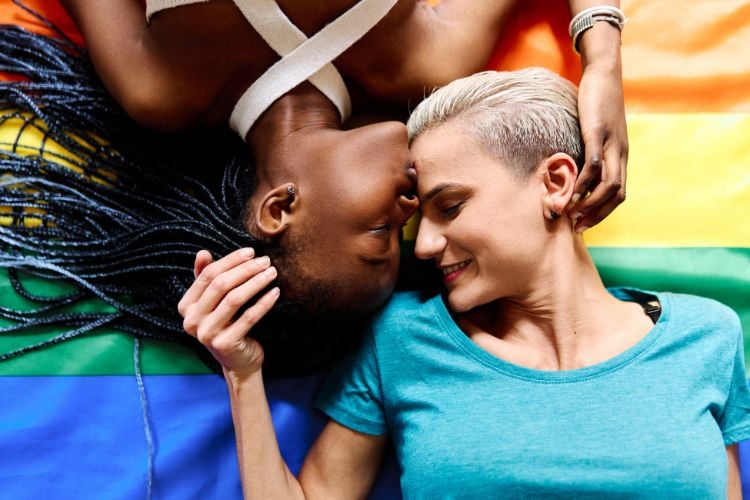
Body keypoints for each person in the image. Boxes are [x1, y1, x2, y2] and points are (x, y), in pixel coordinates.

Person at [179, 68, 750, 497]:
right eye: (417, 219)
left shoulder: (707, 337)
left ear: (555, 181)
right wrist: (243, 373)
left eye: (449, 205)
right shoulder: (401, 340)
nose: (423, 245)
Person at [60, 0, 629, 332]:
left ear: (281, 207)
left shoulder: (160, 88)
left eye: (380, 232)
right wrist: (601, 60)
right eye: (406, 227)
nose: (411, 206)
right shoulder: (427, 63)